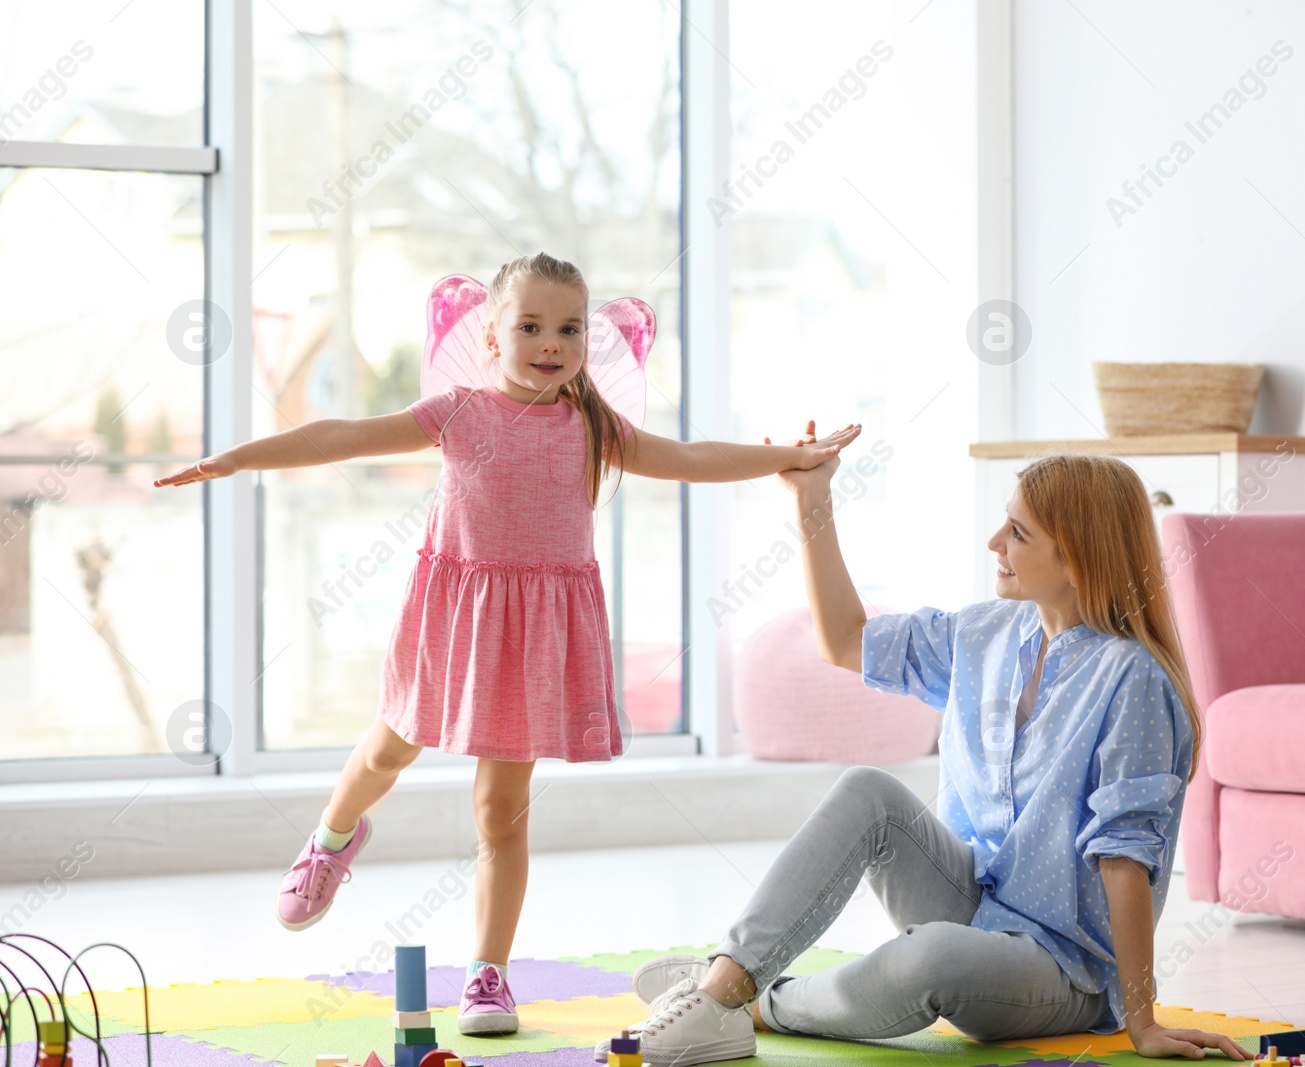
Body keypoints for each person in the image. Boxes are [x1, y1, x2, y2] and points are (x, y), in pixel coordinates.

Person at [154, 252, 860, 1036]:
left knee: (501, 810)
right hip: (455, 618)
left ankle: (488, 973)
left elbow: (690, 458)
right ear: (491, 337)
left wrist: (787, 459)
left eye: (568, 327)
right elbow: (345, 435)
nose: (550, 341)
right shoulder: (457, 411)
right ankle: (330, 840)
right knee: (388, 752)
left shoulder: (594, 426)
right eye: (529, 325)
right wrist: (240, 456)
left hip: (535, 633)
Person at [603, 441, 1249, 1064]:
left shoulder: (1132, 678)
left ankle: (753, 1001)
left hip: (1064, 967)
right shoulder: (987, 631)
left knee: (930, 957)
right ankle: (725, 983)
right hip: (978, 902)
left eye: (1018, 533)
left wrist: (1142, 1019)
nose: (995, 541)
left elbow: (1125, 860)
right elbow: (845, 640)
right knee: (868, 793)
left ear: (1076, 557)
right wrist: (812, 503)